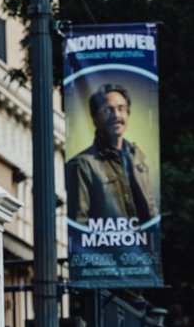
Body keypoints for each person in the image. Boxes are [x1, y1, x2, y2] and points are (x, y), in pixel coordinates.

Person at [68, 83, 158, 224]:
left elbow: (152, 210)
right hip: (106, 245)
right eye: (108, 110)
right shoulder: (82, 164)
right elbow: (79, 221)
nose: (116, 115)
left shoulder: (137, 156)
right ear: (95, 118)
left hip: (141, 244)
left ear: (128, 114)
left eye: (121, 109)